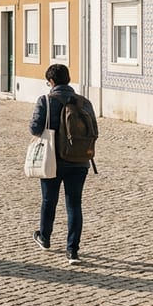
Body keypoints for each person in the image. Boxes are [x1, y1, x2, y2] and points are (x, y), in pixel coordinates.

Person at [30, 63, 93, 265]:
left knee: (49, 200)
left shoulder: (45, 101)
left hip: (53, 159)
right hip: (80, 159)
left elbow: (35, 128)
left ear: (51, 82)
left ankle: (45, 237)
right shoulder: (84, 102)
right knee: (74, 204)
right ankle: (72, 250)